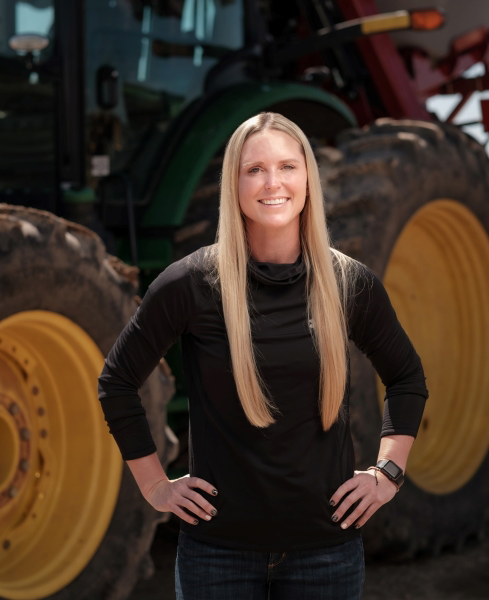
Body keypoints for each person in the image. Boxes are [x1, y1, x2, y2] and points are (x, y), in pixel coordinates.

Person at [97, 112, 429, 600]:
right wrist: (155, 486)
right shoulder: (190, 284)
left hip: (326, 553)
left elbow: (407, 377)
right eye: (254, 170)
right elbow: (117, 382)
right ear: (233, 183)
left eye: (287, 167)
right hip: (217, 555)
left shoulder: (349, 283)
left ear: (308, 179)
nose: (272, 182)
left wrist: (388, 474)